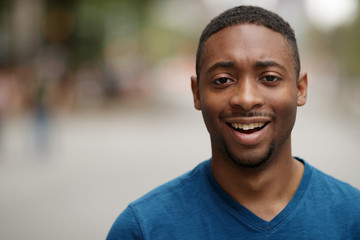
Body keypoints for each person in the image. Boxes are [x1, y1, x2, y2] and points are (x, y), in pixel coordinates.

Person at [106, 5, 360, 239]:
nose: (246, 99)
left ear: (300, 89)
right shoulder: (143, 229)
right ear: (197, 93)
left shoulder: (352, 218)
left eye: (269, 78)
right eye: (223, 80)